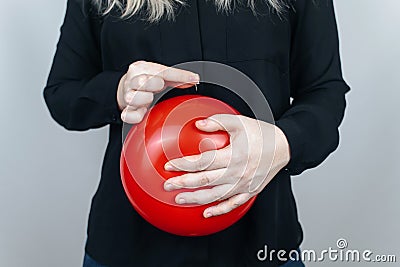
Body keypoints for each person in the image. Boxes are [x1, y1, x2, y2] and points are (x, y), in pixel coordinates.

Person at [43, 0, 350, 266]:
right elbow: (62, 92)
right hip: (130, 244)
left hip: (261, 239)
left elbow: (325, 90)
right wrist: (120, 89)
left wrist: (284, 142)